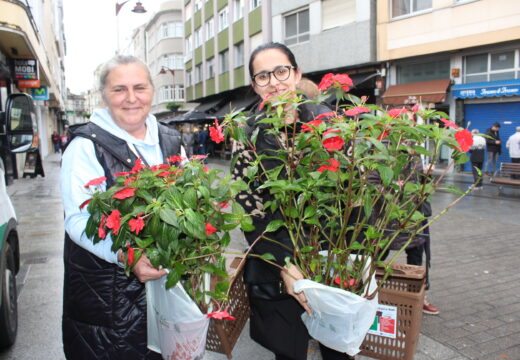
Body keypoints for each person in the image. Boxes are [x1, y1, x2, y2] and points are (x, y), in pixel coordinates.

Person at [231, 42, 352, 360]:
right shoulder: (246, 134)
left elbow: (351, 193)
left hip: (329, 261)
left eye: (281, 71)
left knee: (339, 350)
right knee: (288, 352)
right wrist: (287, 265)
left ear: (297, 74)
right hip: (275, 265)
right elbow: (250, 207)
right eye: (262, 76)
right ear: (254, 86)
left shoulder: (328, 124)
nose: (274, 81)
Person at [60, 55, 181, 359]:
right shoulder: (86, 145)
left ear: (152, 90)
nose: (131, 98)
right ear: (104, 96)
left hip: (165, 295)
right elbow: (77, 221)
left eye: (139, 87)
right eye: (119, 89)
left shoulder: (170, 139)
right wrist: (129, 255)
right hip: (107, 301)